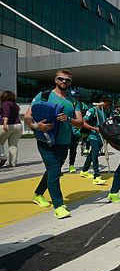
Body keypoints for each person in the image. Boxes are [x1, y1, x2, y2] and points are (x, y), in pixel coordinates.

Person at [24, 69, 83, 219]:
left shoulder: (73, 100)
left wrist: (68, 119)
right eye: (61, 79)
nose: (64, 82)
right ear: (55, 80)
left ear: (71, 82)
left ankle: (38, 194)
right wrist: (37, 126)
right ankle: (59, 206)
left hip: (64, 142)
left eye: (67, 80)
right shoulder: (44, 95)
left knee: (52, 171)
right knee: (54, 170)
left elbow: (80, 123)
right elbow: (27, 117)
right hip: (46, 140)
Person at [79, 97, 111, 185]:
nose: (108, 106)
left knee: (92, 153)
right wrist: (94, 129)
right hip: (93, 136)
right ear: (101, 102)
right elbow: (83, 122)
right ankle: (96, 176)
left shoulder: (104, 112)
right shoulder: (92, 110)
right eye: (107, 104)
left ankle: (84, 170)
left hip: (101, 136)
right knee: (95, 154)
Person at [67, 89, 89, 173]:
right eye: (72, 97)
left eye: (76, 97)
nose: (74, 99)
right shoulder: (68, 105)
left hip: (80, 129)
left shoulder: (83, 106)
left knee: (74, 148)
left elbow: (87, 118)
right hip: (69, 130)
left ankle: (72, 164)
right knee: (68, 148)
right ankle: (67, 165)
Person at [0, 91, 23, 167]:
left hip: (8, 125)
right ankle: (13, 163)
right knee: (13, 145)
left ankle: (2, 157)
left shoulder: (5, 103)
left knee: (0, 142)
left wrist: (5, 123)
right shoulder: (16, 104)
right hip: (18, 126)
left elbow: (6, 113)